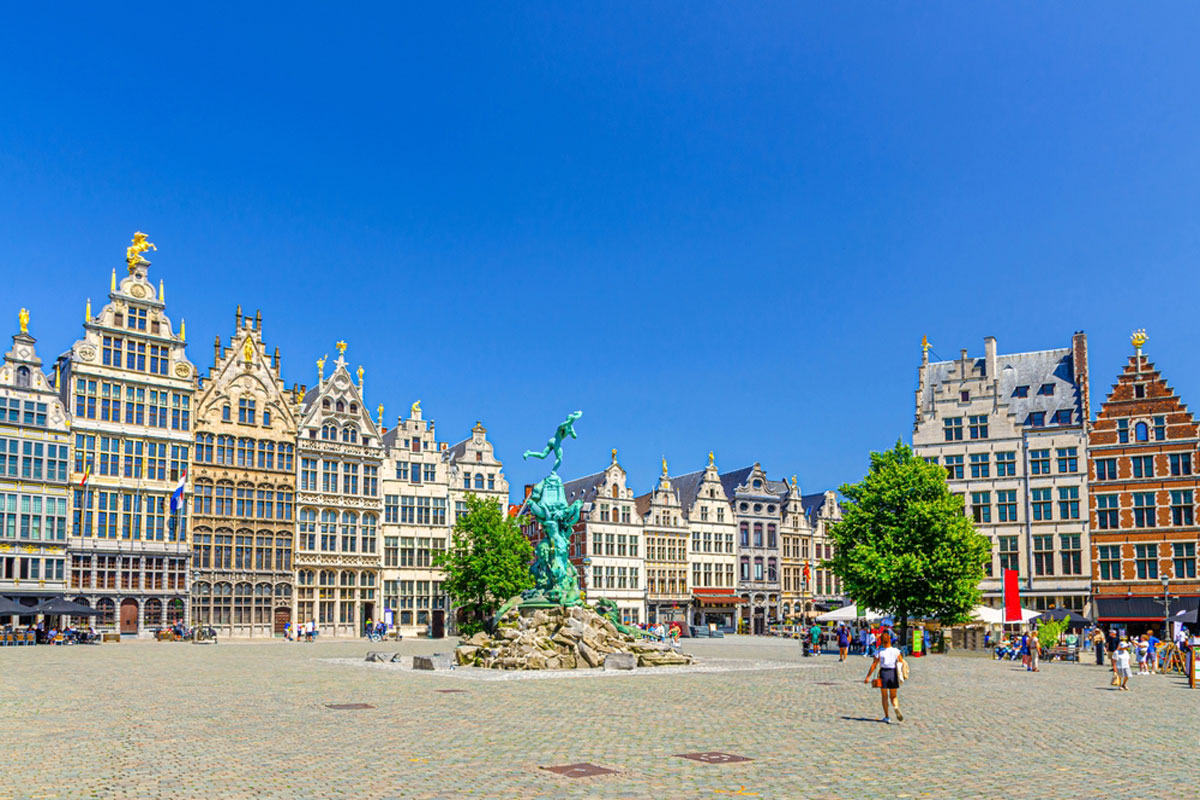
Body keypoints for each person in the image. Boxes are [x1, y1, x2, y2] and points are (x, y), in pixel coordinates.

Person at [864, 632, 907, 723]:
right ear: (890, 640)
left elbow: (874, 665)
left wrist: (868, 676)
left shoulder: (879, 652)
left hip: (884, 673)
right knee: (894, 696)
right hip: (893, 673)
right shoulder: (896, 651)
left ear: (881, 641)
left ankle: (887, 716)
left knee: (884, 696)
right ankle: (895, 706)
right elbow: (901, 661)